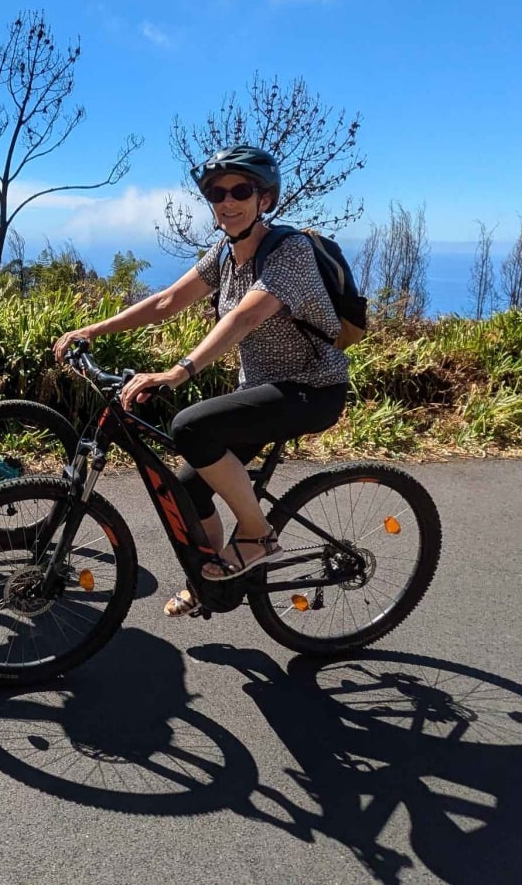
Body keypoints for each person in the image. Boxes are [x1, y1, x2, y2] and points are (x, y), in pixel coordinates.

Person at [52, 144, 350, 617]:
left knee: (190, 427)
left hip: (312, 390)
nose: (227, 201)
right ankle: (211, 580)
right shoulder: (225, 255)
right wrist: (93, 329)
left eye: (240, 190)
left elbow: (246, 318)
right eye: (217, 193)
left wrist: (179, 371)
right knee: (187, 488)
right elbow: (166, 301)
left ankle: (255, 535)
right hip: (262, 390)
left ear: (264, 199)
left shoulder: (288, 252)